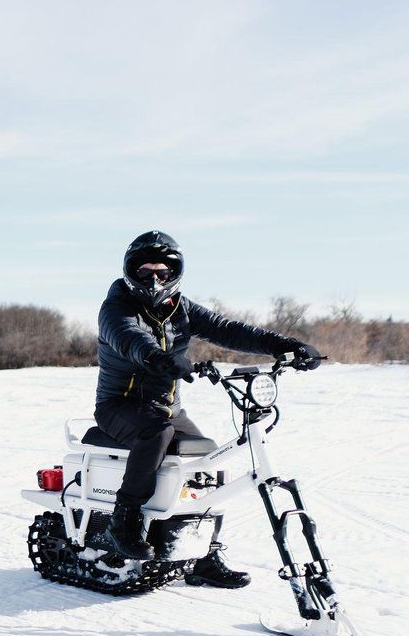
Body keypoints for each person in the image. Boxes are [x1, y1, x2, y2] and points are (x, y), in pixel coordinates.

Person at [88, 229, 322, 581]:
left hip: (168, 407)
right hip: (119, 406)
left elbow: (228, 329)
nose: (154, 279)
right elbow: (128, 337)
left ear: (174, 273)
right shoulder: (116, 306)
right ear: (131, 272)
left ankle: (201, 554)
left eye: (162, 272)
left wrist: (284, 344)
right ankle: (124, 522)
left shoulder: (181, 308)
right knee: (156, 432)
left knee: (207, 461)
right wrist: (159, 357)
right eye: (146, 271)